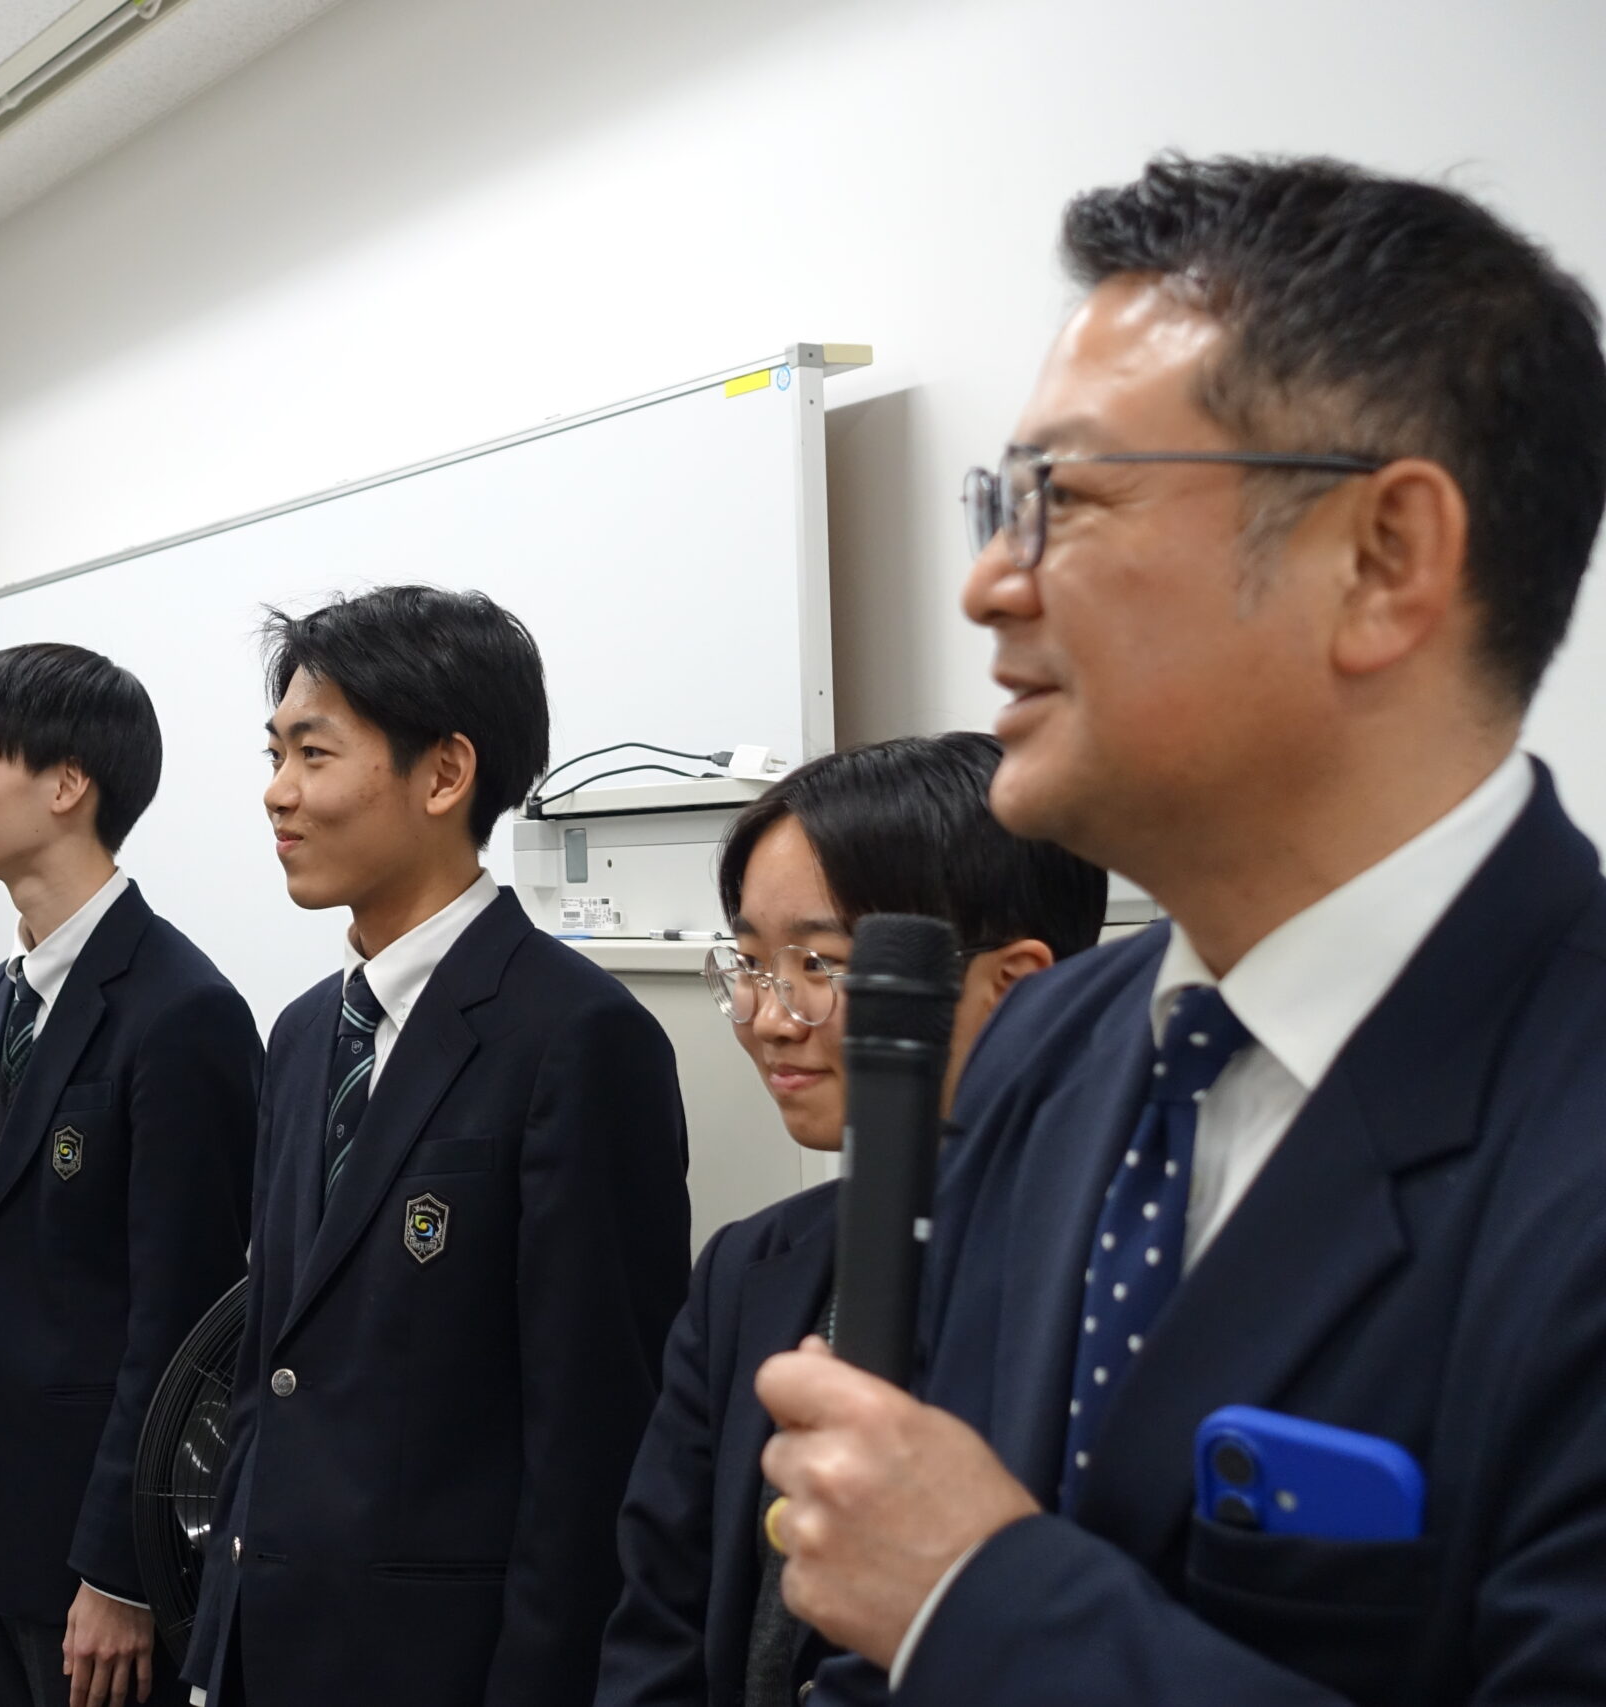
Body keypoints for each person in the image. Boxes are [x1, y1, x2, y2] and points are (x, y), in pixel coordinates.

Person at [753, 153, 1606, 1707]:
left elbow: (934, 1573)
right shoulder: (1057, 1041)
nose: (987, 584)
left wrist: (975, 1604)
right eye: (997, 503)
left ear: (1383, 559)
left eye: (1066, 500)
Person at [178, 585, 693, 1707]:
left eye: (314, 753)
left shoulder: (578, 1039)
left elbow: (595, 1441)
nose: (277, 791)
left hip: (441, 1664)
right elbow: (270, 1365)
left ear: (445, 773)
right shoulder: (304, 1034)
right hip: (269, 1645)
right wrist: (220, 1640)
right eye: (274, 753)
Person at [595, 731, 1106, 1707]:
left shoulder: (1106, 1280)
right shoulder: (750, 1269)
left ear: (1016, 984)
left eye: (820, 964)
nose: (767, 1015)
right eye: (751, 963)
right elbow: (657, 1630)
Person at [0, 643, 262, 1707]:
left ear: (65, 783)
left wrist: (125, 1565)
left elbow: (185, 1324)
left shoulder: (182, 1012)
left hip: (94, 1559)